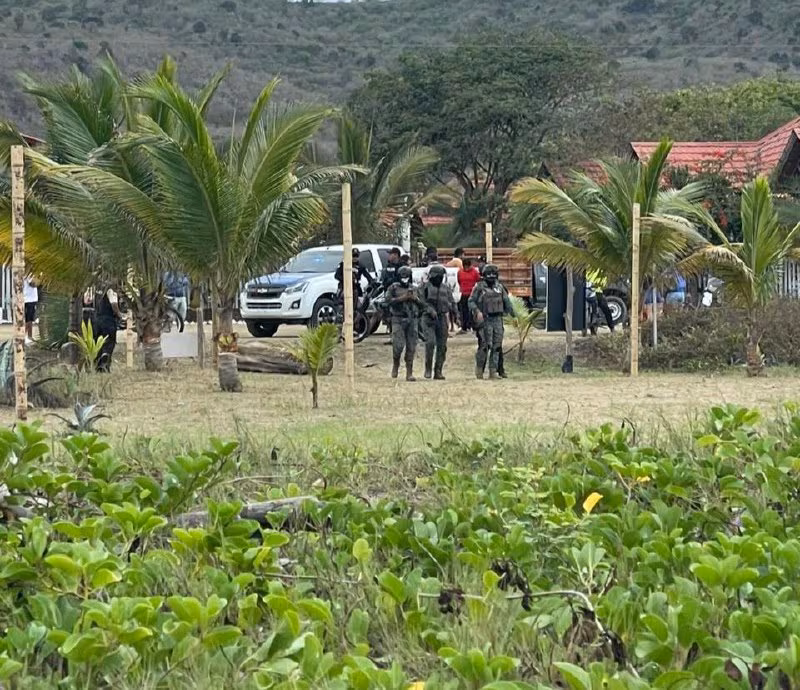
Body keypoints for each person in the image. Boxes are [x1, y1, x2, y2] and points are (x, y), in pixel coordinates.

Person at [469, 264, 513, 380]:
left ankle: (493, 371)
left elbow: (507, 302)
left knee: (497, 346)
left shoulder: (499, 287)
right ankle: (479, 370)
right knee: (485, 345)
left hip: (497, 319)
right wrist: (477, 312)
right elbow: (471, 301)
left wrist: (513, 315)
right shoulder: (479, 287)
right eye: (489, 274)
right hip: (485, 319)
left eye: (494, 274)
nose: (492, 276)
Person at [385, 266, 427, 381]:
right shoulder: (393, 288)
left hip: (412, 320)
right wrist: (402, 298)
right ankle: (396, 363)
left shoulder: (415, 288)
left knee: (411, 346)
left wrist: (415, 299)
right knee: (398, 345)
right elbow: (388, 301)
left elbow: (423, 304)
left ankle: (409, 372)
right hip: (398, 319)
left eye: (407, 277)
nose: (405, 279)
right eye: (403, 277)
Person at [418, 264, 456, 380]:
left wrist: (457, 316)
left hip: (442, 318)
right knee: (430, 343)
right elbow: (421, 302)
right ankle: (428, 368)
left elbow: (452, 302)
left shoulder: (446, 288)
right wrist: (429, 310)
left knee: (442, 346)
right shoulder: (424, 287)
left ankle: (438, 370)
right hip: (428, 318)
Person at [85, 281, 124, 372]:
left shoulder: (93, 289)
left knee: (97, 343)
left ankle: (97, 366)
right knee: (109, 343)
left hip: (96, 319)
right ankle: (104, 365)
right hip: (108, 320)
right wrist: (119, 314)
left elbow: (86, 301)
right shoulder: (110, 290)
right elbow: (114, 304)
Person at [457, 258, 480, 333]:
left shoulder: (475, 272)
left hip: (472, 294)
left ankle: (473, 326)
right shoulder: (460, 272)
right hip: (464, 293)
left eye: (467, 266)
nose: (466, 268)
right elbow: (459, 281)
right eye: (465, 266)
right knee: (464, 311)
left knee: (472, 311)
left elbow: (478, 280)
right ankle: (464, 326)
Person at [23, 276, 39, 344]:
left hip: (32, 299)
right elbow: (33, 284)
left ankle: (30, 336)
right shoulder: (29, 273)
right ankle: (23, 336)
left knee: (30, 319)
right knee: (28, 319)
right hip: (28, 299)